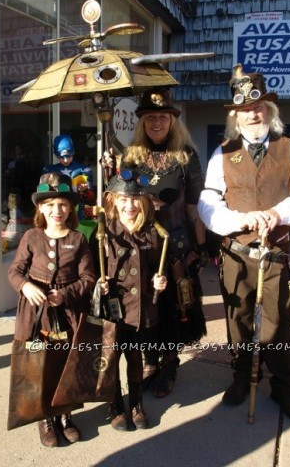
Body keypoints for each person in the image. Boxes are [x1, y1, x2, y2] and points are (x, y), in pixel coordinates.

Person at [197, 64, 290, 422]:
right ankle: (241, 377)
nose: (253, 113)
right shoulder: (223, 153)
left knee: (278, 322)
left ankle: (286, 387)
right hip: (237, 254)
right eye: (245, 109)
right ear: (235, 116)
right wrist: (239, 221)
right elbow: (208, 201)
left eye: (259, 106)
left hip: (277, 254)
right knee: (239, 319)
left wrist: (278, 214)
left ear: (269, 110)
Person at [120, 88, 208, 398]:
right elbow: (120, 201)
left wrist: (200, 248)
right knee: (144, 304)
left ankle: (169, 364)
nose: (157, 122)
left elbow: (195, 207)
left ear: (172, 121)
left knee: (173, 307)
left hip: (177, 245)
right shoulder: (129, 157)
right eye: (150, 117)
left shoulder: (187, 156)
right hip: (141, 244)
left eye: (163, 117)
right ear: (141, 122)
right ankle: (150, 361)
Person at [8, 172, 96, 447]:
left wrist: (66, 294)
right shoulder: (31, 237)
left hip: (67, 312)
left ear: (70, 209)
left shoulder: (78, 239)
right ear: (40, 208)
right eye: (50, 204)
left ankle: (65, 415)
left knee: (65, 363)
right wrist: (25, 286)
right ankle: (45, 417)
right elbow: (15, 270)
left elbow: (88, 278)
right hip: (35, 314)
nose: (56, 210)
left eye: (63, 205)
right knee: (39, 365)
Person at [89, 172, 167, 431]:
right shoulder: (102, 234)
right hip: (112, 312)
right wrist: (96, 286)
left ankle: (136, 403)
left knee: (135, 359)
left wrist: (159, 281)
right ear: (113, 200)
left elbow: (157, 268)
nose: (130, 205)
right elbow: (88, 271)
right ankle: (114, 406)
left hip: (139, 310)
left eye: (135, 198)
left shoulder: (152, 233)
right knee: (110, 360)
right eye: (124, 198)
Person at [43, 134, 95, 219]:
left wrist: (85, 191)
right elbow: (43, 198)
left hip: (77, 213)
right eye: (61, 157)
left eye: (69, 156)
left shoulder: (83, 170)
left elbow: (92, 200)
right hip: (56, 212)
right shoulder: (49, 171)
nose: (66, 160)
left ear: (73, 152)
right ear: (56, 154)